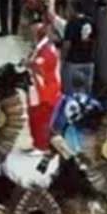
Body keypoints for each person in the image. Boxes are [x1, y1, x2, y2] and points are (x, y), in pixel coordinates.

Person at [27, 23, 61, 152]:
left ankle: (41, 146)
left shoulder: (46, 50)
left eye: (34, 32)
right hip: (38, 89)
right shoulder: (41, 47)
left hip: (46, 92)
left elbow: (40, 66)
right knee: (34, 116)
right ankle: (36, 143)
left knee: (41, 118)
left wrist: (31, 64)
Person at [61, 0, 96, 93]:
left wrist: (62, 59)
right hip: (89, 61)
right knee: (86, 93)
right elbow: (94, 40)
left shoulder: (72, 23)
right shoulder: (91, 22)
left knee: (72, 94)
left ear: (73, 8)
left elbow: (67, 44)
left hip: (74, 62)